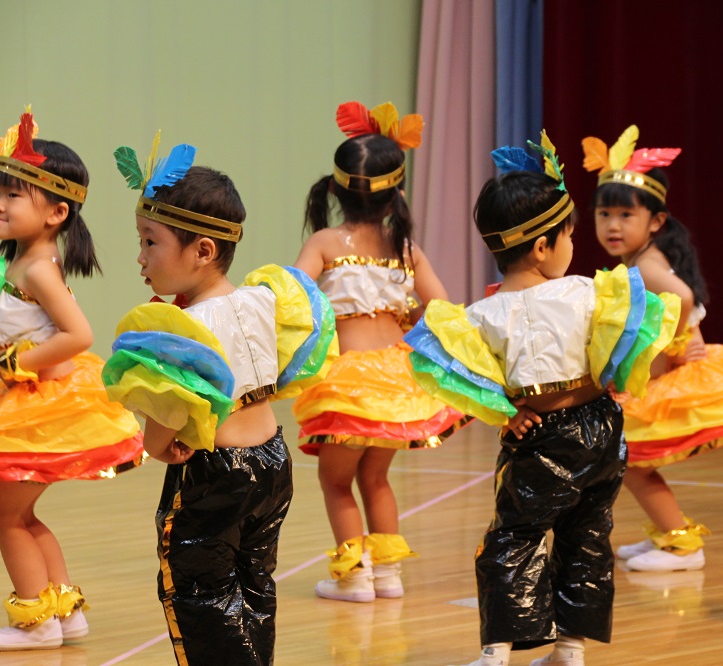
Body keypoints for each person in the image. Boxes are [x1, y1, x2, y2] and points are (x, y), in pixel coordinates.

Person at [405, 131, 680, 666]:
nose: (575, 247)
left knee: (514, 539)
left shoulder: (480, 317)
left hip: (540, 441)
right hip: (601, 434)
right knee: (587, 537)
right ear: (542, 246)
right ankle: (569, 651)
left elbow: (478, 383)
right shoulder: (587, 292)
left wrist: (509, 414)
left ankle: (496, 652)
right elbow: (613, 358)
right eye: (570, 236)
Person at [103, 136, 323, 664]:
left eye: (150, 242)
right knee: (254, 587)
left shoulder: (183, 329)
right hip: (272, 461)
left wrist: (159, 445)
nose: (140, 258)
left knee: (200, 596)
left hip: (214, 476)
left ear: (202, 251)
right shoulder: (262, 299)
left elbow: (164, 423)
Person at [0, 108, 144, 651]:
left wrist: (19, 363)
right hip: (35, 402)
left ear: (57, 211)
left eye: (14, 195)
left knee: (3, 517)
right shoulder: (26, 261)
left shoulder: (38, 268)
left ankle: (34, 624)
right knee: (23, 514)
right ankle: (63, 611)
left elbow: (79, 334)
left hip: (44, 406)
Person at [291, 101, 463, 603]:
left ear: (337, 189)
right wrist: (404, 321)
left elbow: (293, 296)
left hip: (349, 382)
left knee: (335, 480)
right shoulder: (405, 247)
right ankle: (387, 575)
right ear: (397, 195)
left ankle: (354, 575)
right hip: (398, 377)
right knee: (376, 476)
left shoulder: (325, 240)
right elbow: (442, 306)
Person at [582, 126, 723, 572]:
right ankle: (672, 535)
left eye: (625, 216)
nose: (612, 225)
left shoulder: (646, 266)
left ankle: (682, 543)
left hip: (668, 377)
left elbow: (683, 297)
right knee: (629, 463)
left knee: (632, 463)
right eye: (604, 213)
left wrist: (672, 356)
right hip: (657, 373)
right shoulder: (638, 261)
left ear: (655, 221)